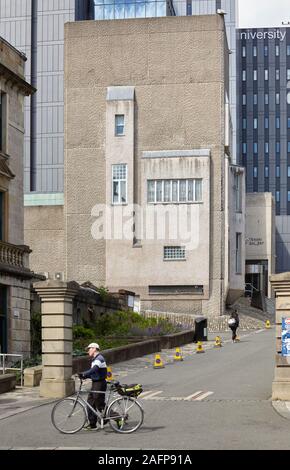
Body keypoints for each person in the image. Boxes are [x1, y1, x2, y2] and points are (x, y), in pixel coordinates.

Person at [79, 342, 107, 430]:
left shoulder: (99, 358)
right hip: (96, 383)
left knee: (100, 405)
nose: (88, 351)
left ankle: (117, 417)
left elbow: (94, 369)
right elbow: (94, 372)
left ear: (94, 349)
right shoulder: (95, 359)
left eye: (89, 349)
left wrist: (84, 374)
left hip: (99, 384)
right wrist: (85, 376)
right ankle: (92, 424)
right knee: (90, 403)